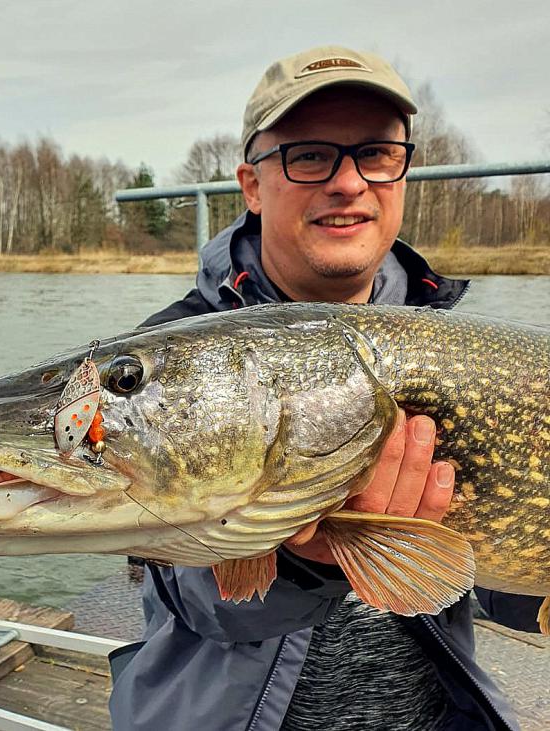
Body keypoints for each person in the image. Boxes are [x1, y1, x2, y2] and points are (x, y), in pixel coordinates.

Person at [108, 46, 544, 731]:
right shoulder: (172, 357)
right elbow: (196, 595)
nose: (348, 183)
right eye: (309, 156)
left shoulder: (459, 346)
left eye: (375, 154)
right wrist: (302, 561)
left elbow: (494, 582)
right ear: (252, 185)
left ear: (402, 174)